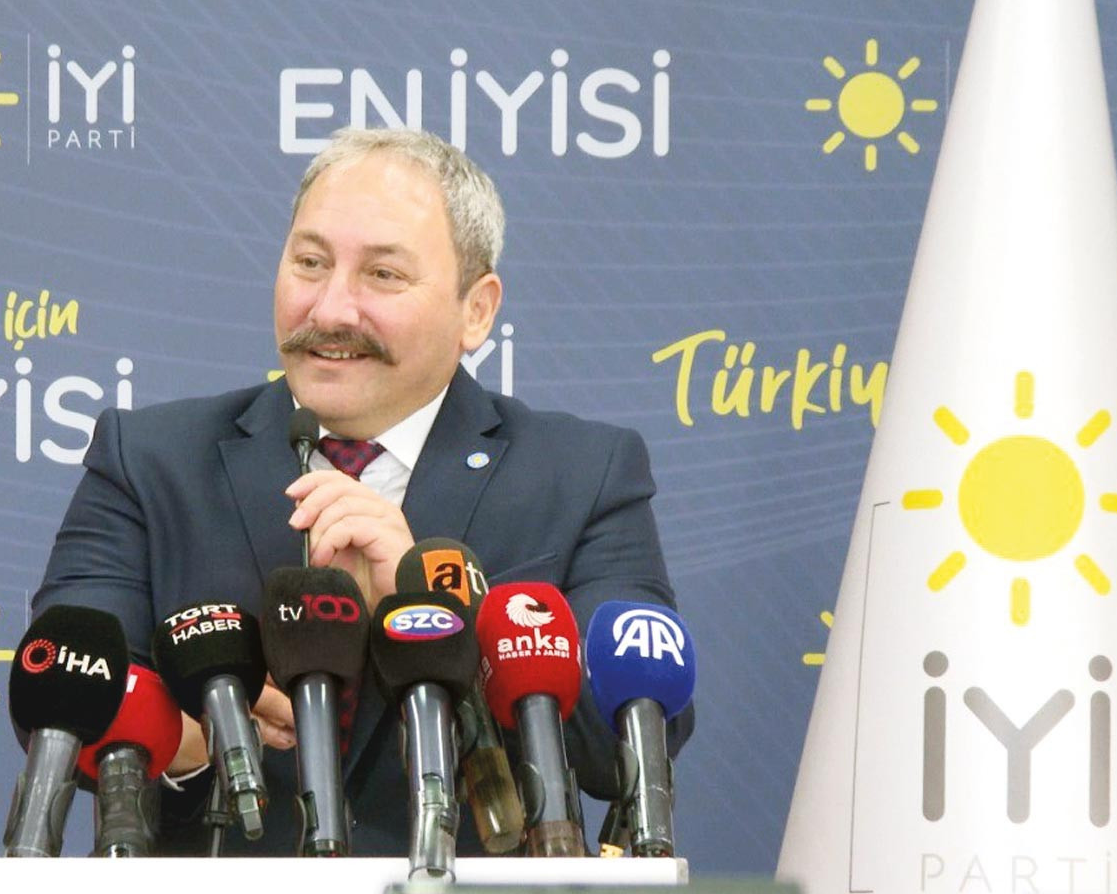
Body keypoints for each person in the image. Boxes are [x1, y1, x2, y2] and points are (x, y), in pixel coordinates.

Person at [34, 126, 685, 855]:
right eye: (310, 263)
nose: (332, 310)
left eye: (382, 275)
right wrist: (199, 734)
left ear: (476, 309)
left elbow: (623, 748)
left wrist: (436, 608)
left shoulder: (584, 474)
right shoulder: (149, 460)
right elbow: (60, 696)